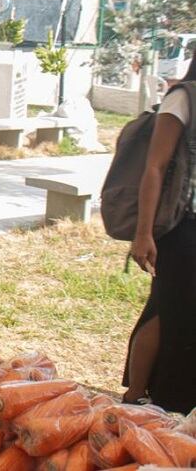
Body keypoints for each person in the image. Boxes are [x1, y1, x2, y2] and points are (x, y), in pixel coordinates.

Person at [126, 56, 195, 413]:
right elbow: (154, 167)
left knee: (180, 312)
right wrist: (143, 233)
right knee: (166, 310)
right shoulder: (183, 97)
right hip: (181, 227)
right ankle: (137, 394)